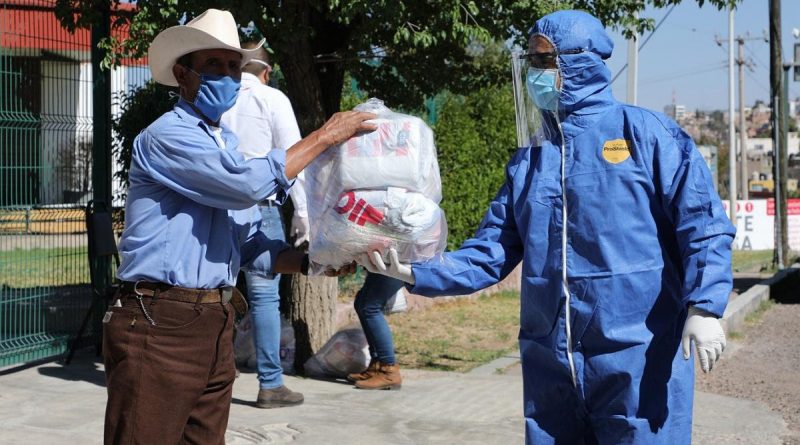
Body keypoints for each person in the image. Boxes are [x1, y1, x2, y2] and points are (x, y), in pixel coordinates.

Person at [361, 10, 735, 444]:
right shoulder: (531, 159)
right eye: (531, 62)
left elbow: (703, 225)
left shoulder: (646, 135)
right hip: (551, 364)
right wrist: (417, 271)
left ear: (580, 62)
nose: (534, 74)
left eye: (543, 60)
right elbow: (492, 250)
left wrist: (704, 306)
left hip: (638, 357)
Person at [104, 9, 373, 444]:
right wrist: (324, 136)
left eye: (234, 67)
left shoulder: (226, 144)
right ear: (182, 74)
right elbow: (246, 185)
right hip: (160, 320)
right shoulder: (167, 136)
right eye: (214, 65)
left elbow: (249, 246)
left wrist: (314, 262)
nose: (228, 77)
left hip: (213, 323)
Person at [221, 43, 309, 408]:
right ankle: (270, 384)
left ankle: (217, 375)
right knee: (264, 296)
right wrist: (303, 214)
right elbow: (293, 159)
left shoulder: (220, 99)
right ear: (266, 73)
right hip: (262, 208)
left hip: (220, 206)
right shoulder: (272, 98)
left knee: (218, 291)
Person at [345, 273, 406, 390]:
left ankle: (389, 371)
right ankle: (376, 366)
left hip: (393, 265)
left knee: (370, 308)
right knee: (361, 303)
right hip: (383, 266)